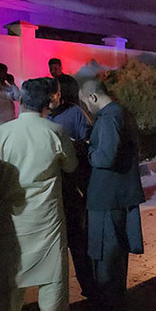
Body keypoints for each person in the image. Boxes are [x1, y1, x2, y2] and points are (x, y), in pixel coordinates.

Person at [0, 78, 78, 311]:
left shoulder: (2, 133)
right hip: (47, 219)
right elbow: (71, 166)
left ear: (21, 100)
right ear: (50, 101)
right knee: (53, 284)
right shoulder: (55, 132)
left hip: (14, 219)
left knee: (9, 283)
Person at [79, 80, 145, 311]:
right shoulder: (123, 113)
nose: (87, 109)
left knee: (106, 261)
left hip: (106, 198)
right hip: (120, 195)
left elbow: (105, 158)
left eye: (85, 103)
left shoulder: (108, 119)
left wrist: (87, 150)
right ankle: (116, 309)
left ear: (93, 97)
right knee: (117, 259)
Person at [49, 76, 95, 298]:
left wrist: (71, 145)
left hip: (71, 189)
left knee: (78, 241)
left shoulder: (75, 113)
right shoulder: (39, 118)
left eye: (56, 94)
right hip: (49, 193)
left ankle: (89, 286)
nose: (53, 98)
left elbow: (88, 142)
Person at [0, 62, 21, 129]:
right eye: (3, 72)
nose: (5, 74)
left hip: (10, 121)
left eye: (6, 72)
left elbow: (18, 97)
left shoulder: (8, 87)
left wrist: (12, 83)